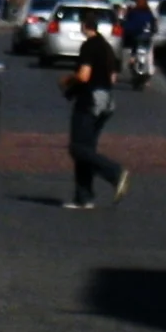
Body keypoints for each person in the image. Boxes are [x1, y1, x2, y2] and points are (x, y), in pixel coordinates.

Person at [60, 15, 128, 209]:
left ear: (84, 27)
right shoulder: (107, 48)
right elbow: (113, 78)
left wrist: (67, 80)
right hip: (106, 102)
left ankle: (115, 172)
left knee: (77, 148)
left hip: (88, 101)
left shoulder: (89, 47)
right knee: (86, 149)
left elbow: (84, 75)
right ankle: (84, 197)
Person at [121, 0, 156, 85]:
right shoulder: (149, 13)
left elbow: (128, 24)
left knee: (134, 48)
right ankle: (143, 70)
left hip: (136, 36)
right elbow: (154, 26)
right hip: (147, 38)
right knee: (146, 52)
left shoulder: (134, 12)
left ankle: (132, 60)